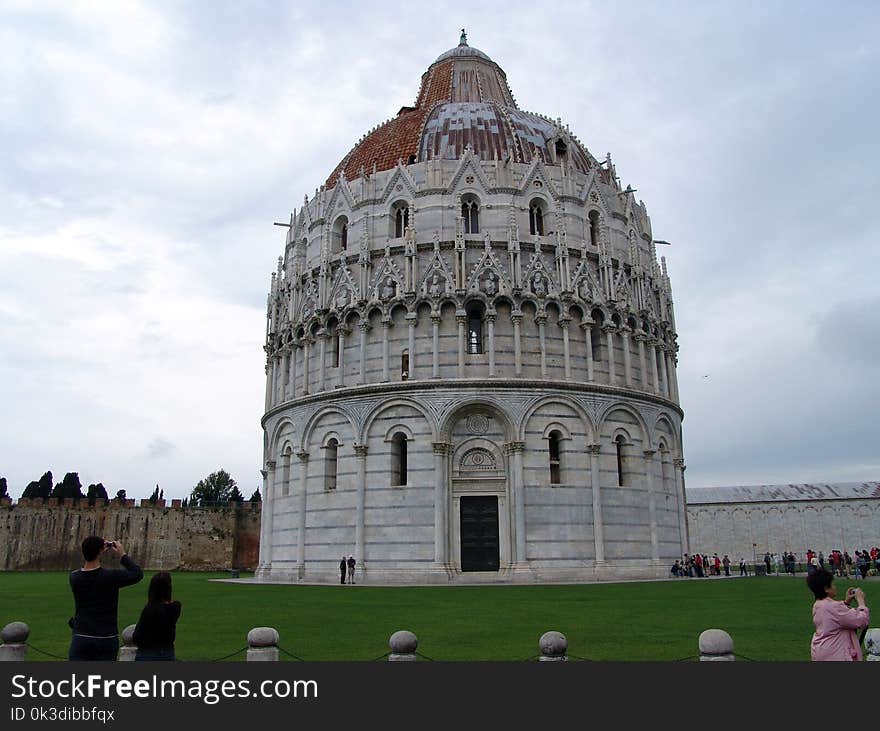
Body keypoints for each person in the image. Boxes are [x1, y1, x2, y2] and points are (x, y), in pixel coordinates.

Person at [68, 536, 143, 661]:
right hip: (106, 637)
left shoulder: (74, 577)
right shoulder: (110, 577)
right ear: (100, 552)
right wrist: (122, 554)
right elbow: (137, 573)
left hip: (81, 635)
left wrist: (100, 547)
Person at [806, 568, 869, 661]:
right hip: (837, 654)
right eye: (832, 584)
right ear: (826, 589)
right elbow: (862, 621)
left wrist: (846, 603)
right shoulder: (834, 607)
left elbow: (835, 618)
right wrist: (861, 601)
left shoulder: (818, 605)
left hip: (822, 651)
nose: (834, 587)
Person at [132, 572, 181, 661]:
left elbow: (137, 636)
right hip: (167, 652)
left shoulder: (150, 609)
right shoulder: (176, 607)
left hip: (147, 653)